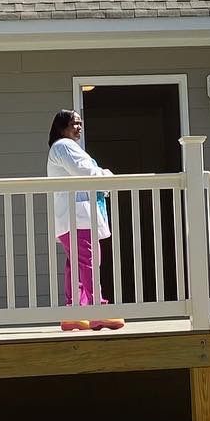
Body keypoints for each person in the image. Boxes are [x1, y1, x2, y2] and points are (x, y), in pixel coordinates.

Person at [46, 110, 124, 332]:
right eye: (73, 123)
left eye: (80, 123)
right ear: (61, 127)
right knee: (89, 262)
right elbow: (87, 172)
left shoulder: (63, 148)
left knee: (77, 264)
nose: (78, 127)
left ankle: (74, 313)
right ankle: (98, 311)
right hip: (76, 218)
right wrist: (108, 176)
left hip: (73, 218)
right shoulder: (63, 146)